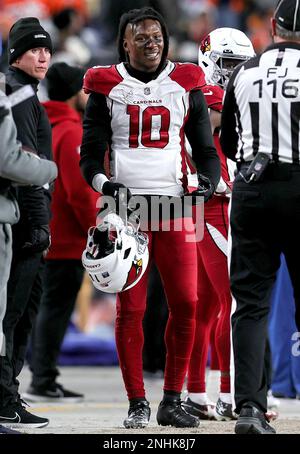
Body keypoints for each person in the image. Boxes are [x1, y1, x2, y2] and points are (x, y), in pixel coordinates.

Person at [80, 7, 220, 428]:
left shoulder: (186, 80)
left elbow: (207, 150)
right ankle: (137, 401)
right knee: (131, 309)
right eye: (141, 37)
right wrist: (107, 186)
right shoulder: (105, 84)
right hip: (126, 210)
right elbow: (89, 155)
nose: (151, 43)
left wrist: (208, 184)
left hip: (177, 204)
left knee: (187, 303)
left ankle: (172, 398)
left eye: (157, 37)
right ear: (125, 42)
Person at [220, 0, 300, 434]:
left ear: (273, 26)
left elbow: (230, 142)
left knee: (250, 304)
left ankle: (250, 408)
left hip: (253, 187)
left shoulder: (244, 71)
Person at [183, 27, 255, 421]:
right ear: (210, 59)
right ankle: (229, 391)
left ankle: (195, 390)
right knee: (230, 303)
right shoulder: (203, 92)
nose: (234, 71)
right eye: (228, 63)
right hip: (215, 206)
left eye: (241, 63)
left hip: (210, 206)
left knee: (204, 304)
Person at [24, 62, 98, 403]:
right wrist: (96, 230)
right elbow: (78, 192)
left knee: (43, 308)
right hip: (66, 237)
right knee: (56, 309)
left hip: (43, 231)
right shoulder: (71, 131)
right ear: (73, 93)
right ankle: (43, 377)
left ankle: (41, 374)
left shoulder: (41, 125)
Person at [0, 17, 54, 429]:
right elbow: (24, 165)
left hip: (20, 218)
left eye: (46, 48)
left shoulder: (22, 91)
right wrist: (38, 223)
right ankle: (4, 397)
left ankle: (7, 395)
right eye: (33, 48)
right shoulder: (17, 94)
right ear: (15, 54)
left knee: (15, 314)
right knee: (14, 314)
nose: (42, 55)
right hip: (18, 221)